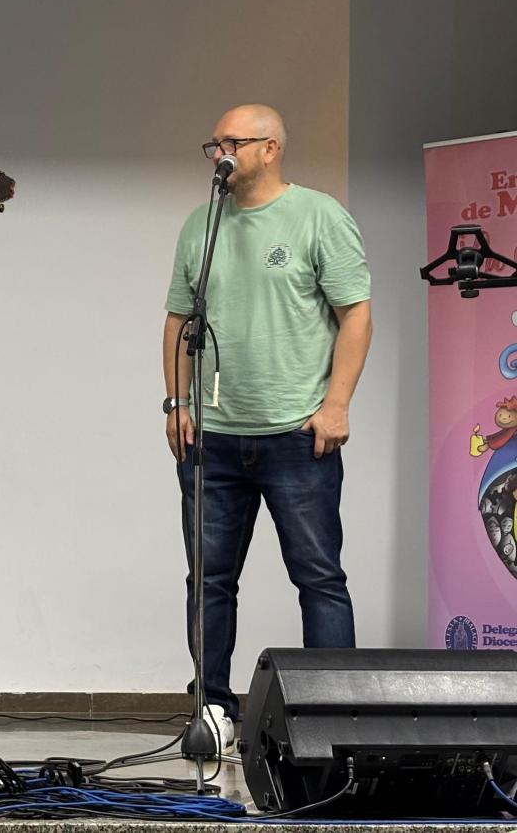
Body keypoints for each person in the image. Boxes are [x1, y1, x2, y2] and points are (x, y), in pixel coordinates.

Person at [162, 104, 372, 755]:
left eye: (233, 142)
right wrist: (177, 402)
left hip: (295, 437)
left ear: (271, 148)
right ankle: (215, 711)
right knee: (211, 579)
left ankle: (334, 718)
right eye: (214, 143)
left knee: (318, 576)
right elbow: (176, 319)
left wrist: (336, 404)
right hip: (213, 439)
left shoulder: (318, 216)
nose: (219, 152)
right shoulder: (203, 224)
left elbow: (356, 314)